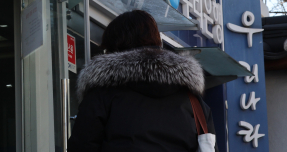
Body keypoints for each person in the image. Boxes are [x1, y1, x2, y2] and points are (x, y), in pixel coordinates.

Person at [67, 10, 218, 152]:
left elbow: (82, 146)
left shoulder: (102, 95)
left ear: (114, 48)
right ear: (157, 42)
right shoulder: (195, 104)